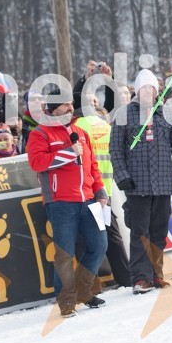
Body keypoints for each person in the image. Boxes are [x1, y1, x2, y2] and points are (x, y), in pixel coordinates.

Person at [26, 89, 108, 318]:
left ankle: (83, 290)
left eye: (71, 104)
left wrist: (100, 191)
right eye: (64, 105)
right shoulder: (40, 133)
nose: (70, 108)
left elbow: (92, 166)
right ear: (51, 109)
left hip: (88, 200)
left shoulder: (80, 132)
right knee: (64, 254)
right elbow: (36, 162)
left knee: (99, 245)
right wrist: (69, 154)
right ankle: (66, 301)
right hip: (61, 203)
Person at [109, 69, 172, 294]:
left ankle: (156, 274)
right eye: (144, 88)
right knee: (140, 232)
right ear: (137, 90)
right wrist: (122, 177)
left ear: (157, 91)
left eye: (151, 88)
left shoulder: (168, 115)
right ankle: (140, 278)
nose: (148, 92)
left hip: (163, 183)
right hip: (137, 185)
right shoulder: (124, 114)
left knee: (159, 232)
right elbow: (115, 149)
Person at [75, 105, 131, 288]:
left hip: (84, 191)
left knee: (85, 240)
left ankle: (91, 285)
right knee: (112, 236)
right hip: (105, 190)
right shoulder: (106, 127)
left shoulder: (76, 127)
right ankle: (125, 277)